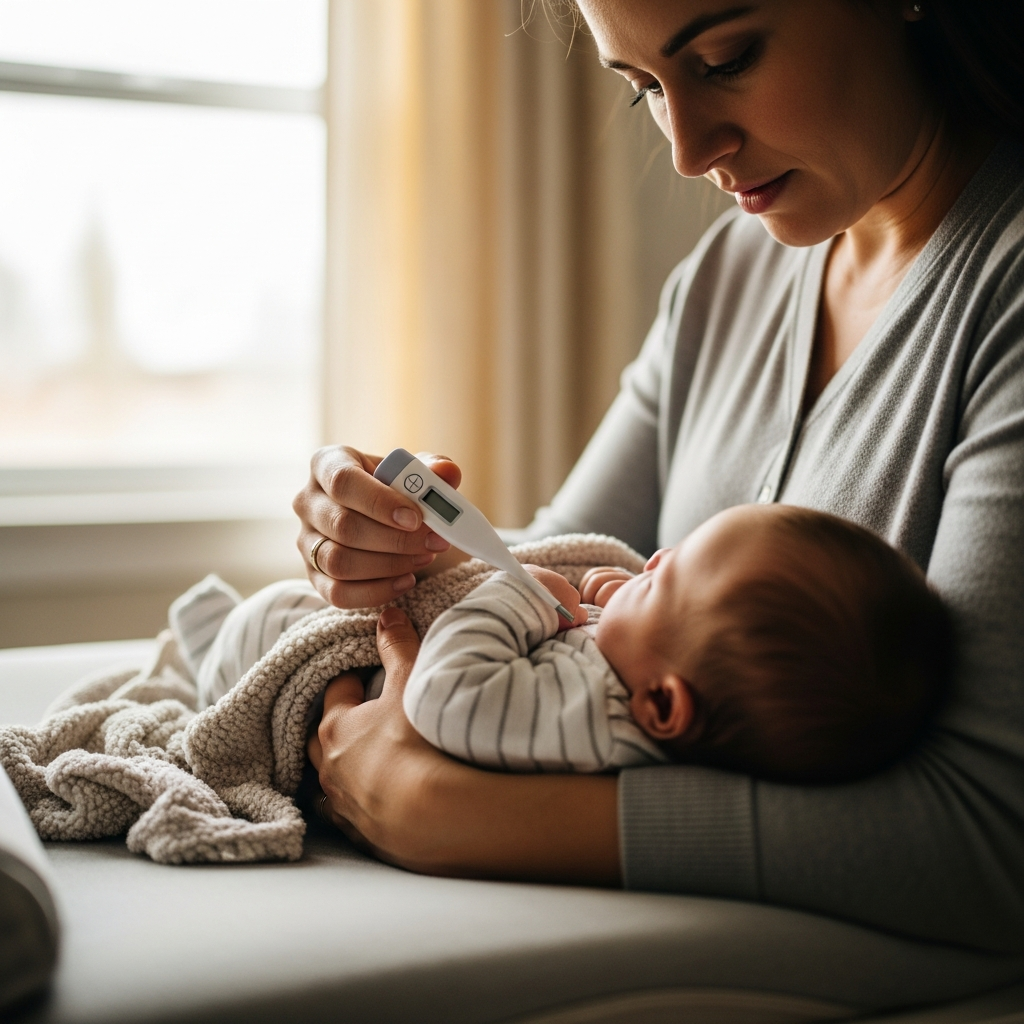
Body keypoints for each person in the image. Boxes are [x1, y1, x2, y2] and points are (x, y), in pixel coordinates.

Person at [294, 0, 1024, 952]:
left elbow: (991, 836)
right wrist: (389, 541)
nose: (686, 149)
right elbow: (544, 571)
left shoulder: (1000, 297)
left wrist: (441, 809)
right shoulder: (726, 278)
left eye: (726, 60)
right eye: (643, 88)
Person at [173, 504, 949, 784]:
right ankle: (203, 642)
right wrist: (615, 602)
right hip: (377, 660)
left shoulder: (591, 718)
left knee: (269, 625)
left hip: (326, 698)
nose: (646, 562)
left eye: (660, 582)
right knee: (278, 609)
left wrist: (517, 596)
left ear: (663, 703)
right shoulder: (631, 685)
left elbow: (449, 696)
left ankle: (204, 652)